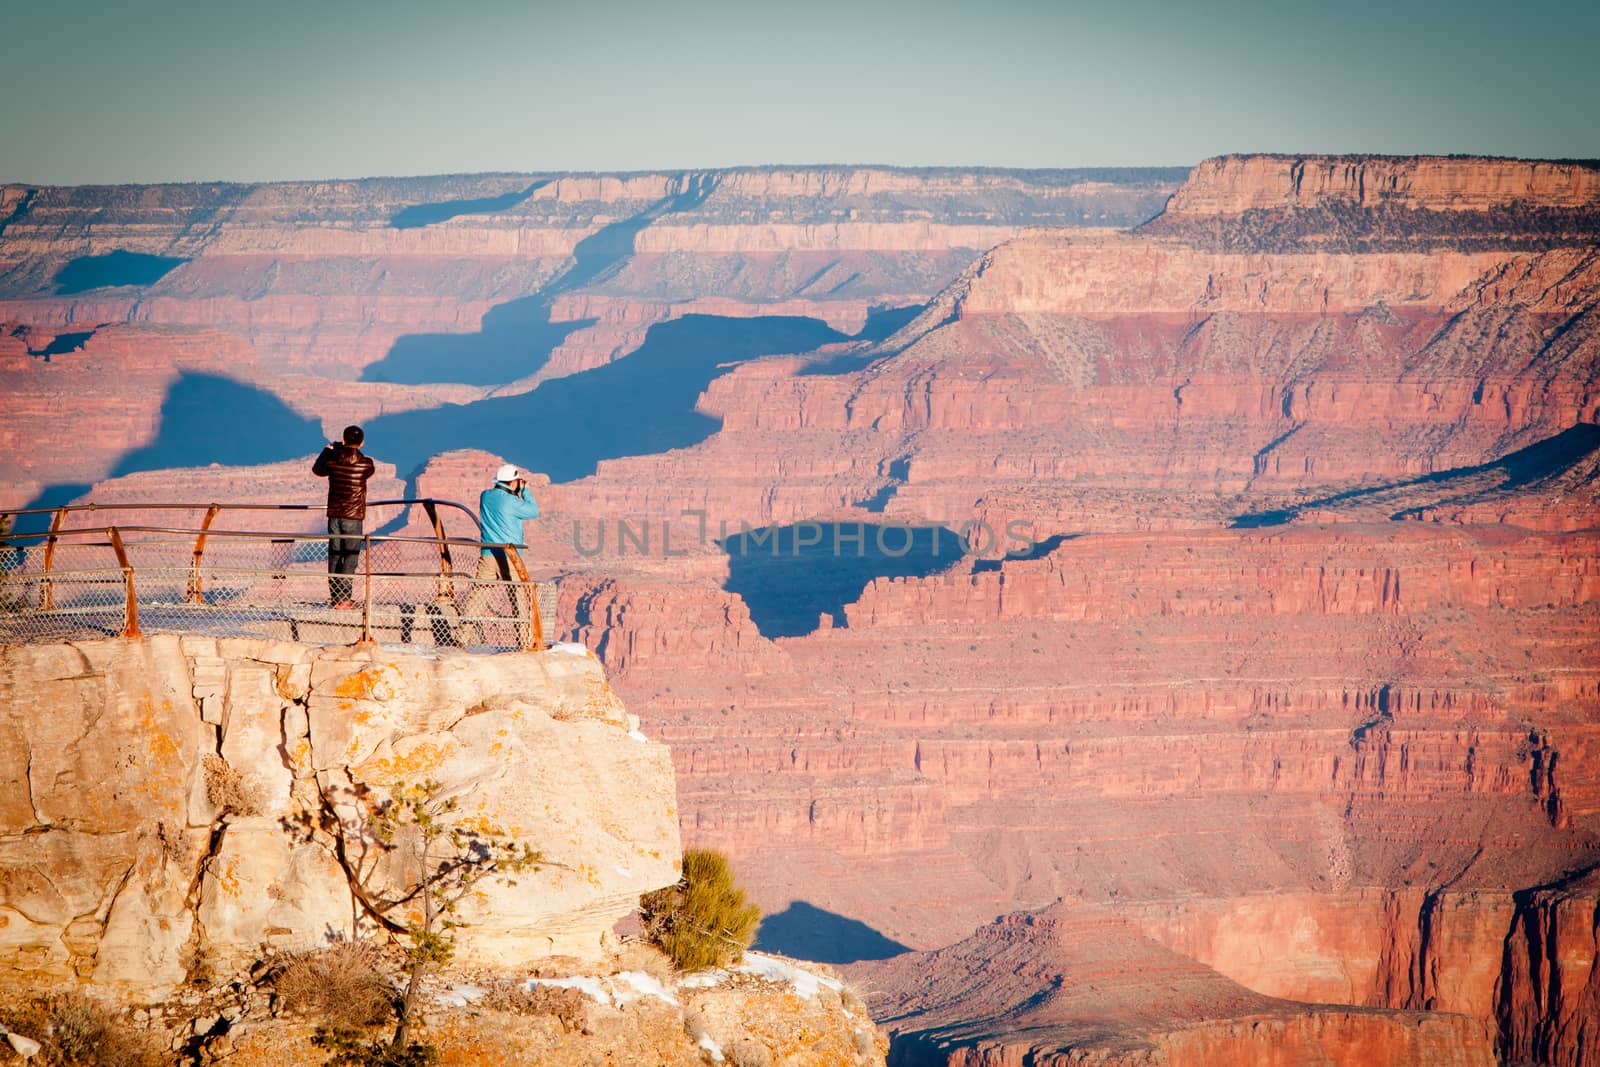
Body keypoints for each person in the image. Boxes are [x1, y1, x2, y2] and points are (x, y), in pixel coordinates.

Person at [461, 464, 540, 646]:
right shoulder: (511, 501)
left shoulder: (485, 496)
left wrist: (513, 488)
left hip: (488, 554)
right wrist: (525, 490)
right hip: (510, 557)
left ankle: (463, 635)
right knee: (517, 598)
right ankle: (523, 641)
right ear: (513, 482)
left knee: (478, 596)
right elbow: (533, 511)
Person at [312, 425, 376, 608]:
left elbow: (317, 469)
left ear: (344, 439)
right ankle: (344, 599)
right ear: (362, 442)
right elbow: (366, 470)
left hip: (334, 515)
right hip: (353, 516)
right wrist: (346, 450)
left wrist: (329, 450)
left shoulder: (332, 462)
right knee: (350, 557)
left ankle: (336, 598)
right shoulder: (366, 464)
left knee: (334, 555)